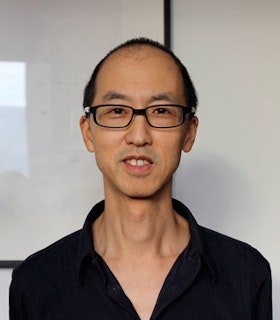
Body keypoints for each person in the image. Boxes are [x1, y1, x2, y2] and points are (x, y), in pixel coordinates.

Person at [9, 38, 272, 320]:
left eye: (160, 111)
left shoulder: (246, 274)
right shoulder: (36, 283)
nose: (138, 136)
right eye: (117, 111)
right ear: (88, 132)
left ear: (189, 132)